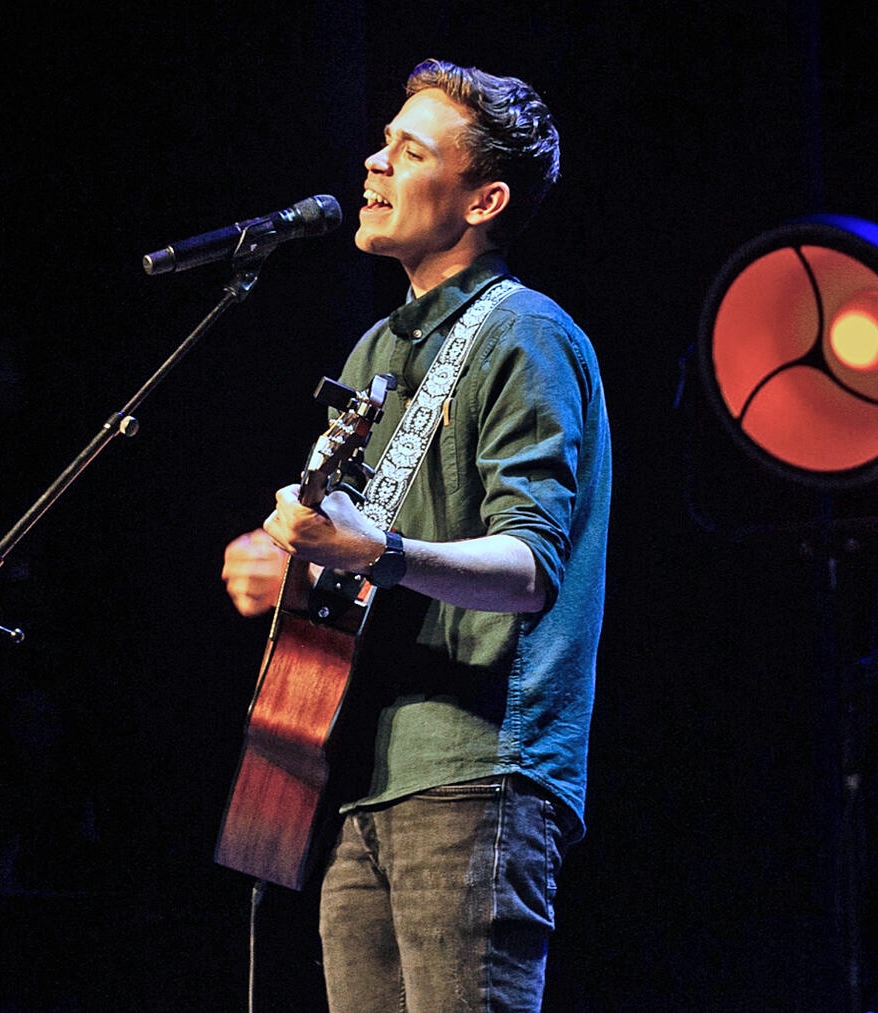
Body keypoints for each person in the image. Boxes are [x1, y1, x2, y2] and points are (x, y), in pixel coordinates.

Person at [220, 59, 611, 1012]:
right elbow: (352, 535)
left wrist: (377, 553)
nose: (373, 162)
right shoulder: (378, 350)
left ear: (485, 199)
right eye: (382, 141)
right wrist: (288, 557)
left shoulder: (528, 335)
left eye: (410, 149)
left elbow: (529, 568)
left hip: (478, 765)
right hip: (356, 768)